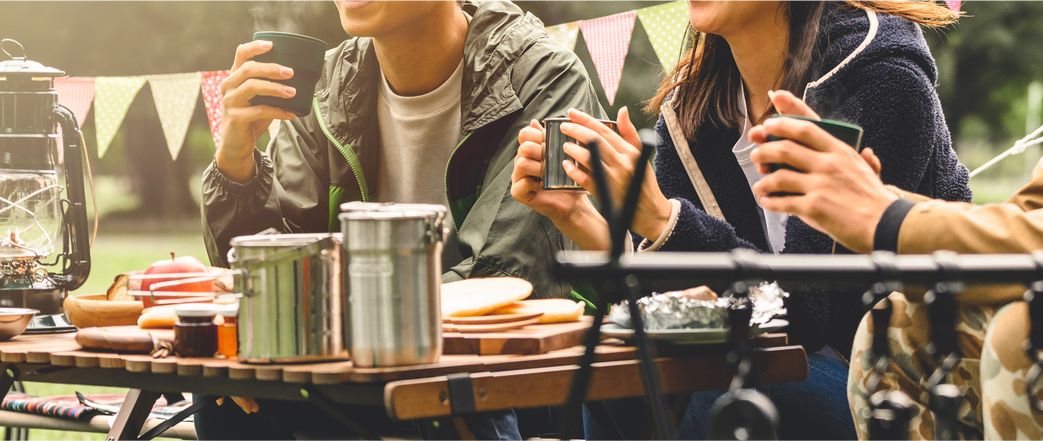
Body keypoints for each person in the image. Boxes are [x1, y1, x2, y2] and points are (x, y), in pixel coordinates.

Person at [513, 1, 969, 439]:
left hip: (898, 388)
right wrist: (587, 221)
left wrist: (662, 218)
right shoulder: (695, 101)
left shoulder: (877, 74)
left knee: (712, 371)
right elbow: (684, 293)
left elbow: (806, 311)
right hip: (771, 366)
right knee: (613, 368)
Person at [201, 0, 605, 438]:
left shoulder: (545, 79)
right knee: (226, 393)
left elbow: (507, 277)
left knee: (446, 390)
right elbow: (280, 261)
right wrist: (237, 164)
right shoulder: (326, 90)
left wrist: (307, 316)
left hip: (514, 377)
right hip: (358, 370)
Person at [749, 90, 1043, 440]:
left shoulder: (886, 74)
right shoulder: (690, 104)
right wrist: (878, 202)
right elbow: (1027, 216)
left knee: (1020, 331)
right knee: (899, 327)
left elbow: (800, 312)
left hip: (811, 354)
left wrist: (888, 219)